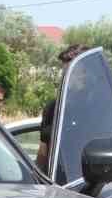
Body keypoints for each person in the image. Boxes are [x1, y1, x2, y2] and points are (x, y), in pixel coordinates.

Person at [36, 44, 89, 174]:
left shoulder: (101, 108)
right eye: (64, 72)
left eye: (73, 72)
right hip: (57, 185)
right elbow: (43, 152)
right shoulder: (53, 109)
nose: (65, 77)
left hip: (93, 186)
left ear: (87, 73)